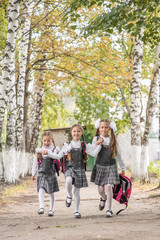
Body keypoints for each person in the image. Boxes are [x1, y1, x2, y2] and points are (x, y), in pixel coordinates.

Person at [64, 124, 101, 218]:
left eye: (78, 131)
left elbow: (93, 153)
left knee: (76, 191)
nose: (76, 133)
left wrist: (99, 145)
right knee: (68, 181)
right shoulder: (67, 144)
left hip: (79, 169)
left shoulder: (83, 145)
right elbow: (60, 154)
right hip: (70, 168)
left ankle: (76, 210)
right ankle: (68, 195)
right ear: (71, 132)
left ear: (81, 133)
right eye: (74, 131)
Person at [91, 118, 126, 218]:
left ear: (109, 128)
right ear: (99, 128)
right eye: (102, 127)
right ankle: (103, 198)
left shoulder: (113, 140)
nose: (104, 129)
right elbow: (93, 152)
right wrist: (99, 143)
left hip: (111, 167)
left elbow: (119, 155)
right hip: (100, 167)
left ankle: (109, 210)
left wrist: (122, 168)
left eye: (106, 127)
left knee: (109, 186)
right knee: (101, 190)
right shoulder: (96, 139)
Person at [32, 131, 67, 217]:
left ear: (52, 140)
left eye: (48, 141)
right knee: (41, 189)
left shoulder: (54, 150)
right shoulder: (39, 151)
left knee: (51, 192)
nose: (46, 143)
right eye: (44, 141)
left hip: (51, 174)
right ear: (42, 141)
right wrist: (33, 173)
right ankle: (41, 207)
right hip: (42, 174)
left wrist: (49, 153)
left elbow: (57, 157)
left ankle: (51, 209)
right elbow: (35, 163)